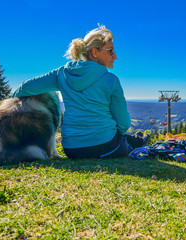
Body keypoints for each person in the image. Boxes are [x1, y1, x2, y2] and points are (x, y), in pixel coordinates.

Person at [12, 25, 149, 159]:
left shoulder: (61, 74)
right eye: (111, 51)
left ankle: (137, 140)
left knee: (124, 138)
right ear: (94, 52)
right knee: (124, 139)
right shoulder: (110, 80)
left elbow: (24, 88)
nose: (115, 56)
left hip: (71, 149)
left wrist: (9, 103)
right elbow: (124, 124)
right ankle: (139, 141)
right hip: (106, 147)